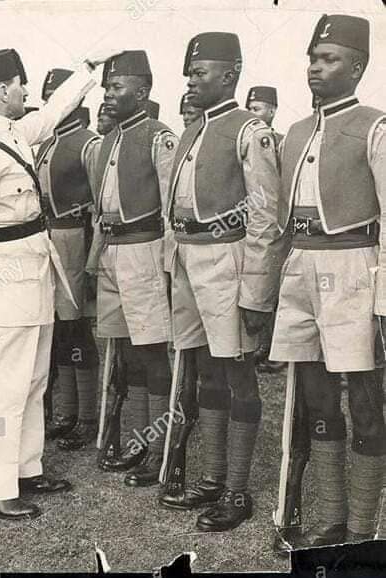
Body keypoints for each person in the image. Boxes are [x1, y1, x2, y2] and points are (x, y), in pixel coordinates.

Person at [0, 47, 115, 520]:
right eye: (21, 85)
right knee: (2, 388)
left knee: (34, 380)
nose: (26, 92)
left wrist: (89, 68)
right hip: (3, 284)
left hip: (34, 276)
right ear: (3, 90)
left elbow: (57, 110)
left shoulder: (14, 133)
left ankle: (25, 467)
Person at [270, 14, 385, 549]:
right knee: (316, 398)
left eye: (329, 59)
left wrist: (383, 300)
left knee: (364, 401)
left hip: (354, 267)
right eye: (313, 59)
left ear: (357, 67)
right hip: (300, 265)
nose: (316, 68)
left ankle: (363, 528)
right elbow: (276, 222)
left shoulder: (375, 127)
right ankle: (332, 518)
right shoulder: (295, 133)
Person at [162, 32, 284, 531]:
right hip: (187, 256)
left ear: (229, 74)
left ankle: (237, 490)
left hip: (227, 258)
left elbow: (265, 217)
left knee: (237, 373)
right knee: (204, 369)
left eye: (200, 72)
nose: (190, 81)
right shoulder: (191, 129)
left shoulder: (249, 131)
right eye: (189, 73)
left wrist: (255, 293)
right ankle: (212, 477)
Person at [89, 50, 178, 488]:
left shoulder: (160, 137)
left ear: (142, 92)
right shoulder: (107, 140)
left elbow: (171, 208)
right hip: (111, 251)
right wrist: (94, 260)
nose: (108, 94)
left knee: (152, 352)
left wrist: (169, 266)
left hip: (145, 250)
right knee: (124, 350)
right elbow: (98, 209)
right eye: (107, 86)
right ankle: (140, 440)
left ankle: (160, 450)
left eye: (117, 86)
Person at [36, 67, 101, 450]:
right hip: (49, 238)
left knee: (77, 329)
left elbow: (100, 206)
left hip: (76, 238)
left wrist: (92, 259)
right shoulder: (47, 143)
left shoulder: (89, 144)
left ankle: (87, 416)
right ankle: (65, 411)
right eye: (48, 98)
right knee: (59, 326)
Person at [245, 85, 286, 374]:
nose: (252, 113)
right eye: (249, 108)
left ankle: (276, 350)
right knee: (257, 289)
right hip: (251, 222)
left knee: (277, 289)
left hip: (278, 224)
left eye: (257, 108)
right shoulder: (246, 139)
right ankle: (263, 344)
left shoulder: (281, 142)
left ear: (272, 111)